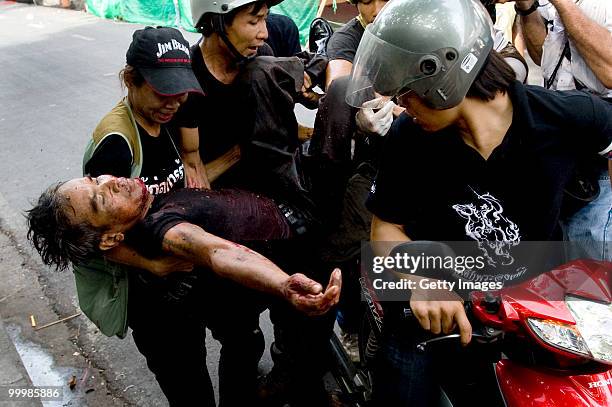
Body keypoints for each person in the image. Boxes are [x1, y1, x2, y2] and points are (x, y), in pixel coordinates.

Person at [344, 0, 612, 404]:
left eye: (407, 92)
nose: (401, 104)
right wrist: (422, 285)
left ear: (443, 76)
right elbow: (385, 229)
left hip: (535, 313)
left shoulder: (565, 117)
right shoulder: (408, 138)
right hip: (436, 317)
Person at [176, 0, 335, 404]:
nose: (264, 32)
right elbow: (191, 182)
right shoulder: (190, 82)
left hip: (282, 208)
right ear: (216, 20)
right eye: (254, 21)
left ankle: (292, 381)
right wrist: (239, 154)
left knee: (300, 309)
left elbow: (293, 105)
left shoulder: (260, 58)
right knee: (243, 337)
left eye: (264, 19)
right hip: (230, 225)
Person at [515, 0, 612, 260]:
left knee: (594, 250)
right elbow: (541, 55)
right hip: (564, 144)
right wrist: (527, 9)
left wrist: (563, 4)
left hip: (602, 149)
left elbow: (610, 71)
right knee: (565, 252)